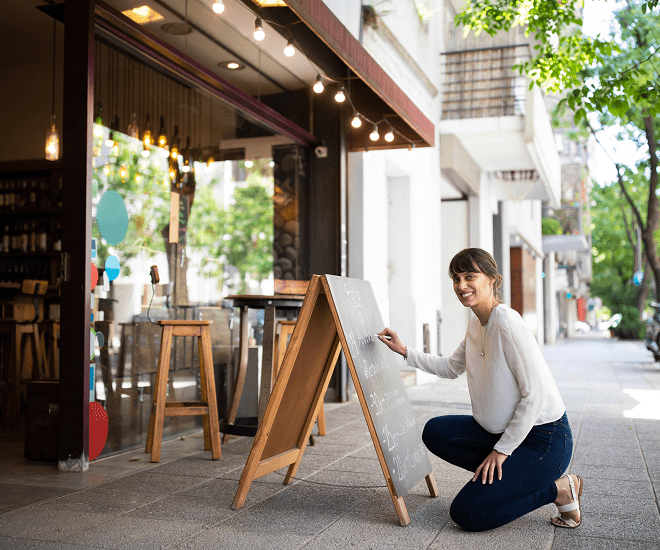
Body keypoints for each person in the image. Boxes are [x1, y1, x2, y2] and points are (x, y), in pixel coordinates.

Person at [378, 248, 583, 532]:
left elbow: (533, 395)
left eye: (470, 276)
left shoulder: (508, 324)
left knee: (468, 514)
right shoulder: (476, 324)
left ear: (493, 279)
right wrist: (404, 351)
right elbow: (451, 367)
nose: (461, 286)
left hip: (544, 440)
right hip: (501, 433)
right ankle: (507, 481)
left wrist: (502, 451)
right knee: (435, 432)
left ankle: (558, 489)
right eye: (456, 278)